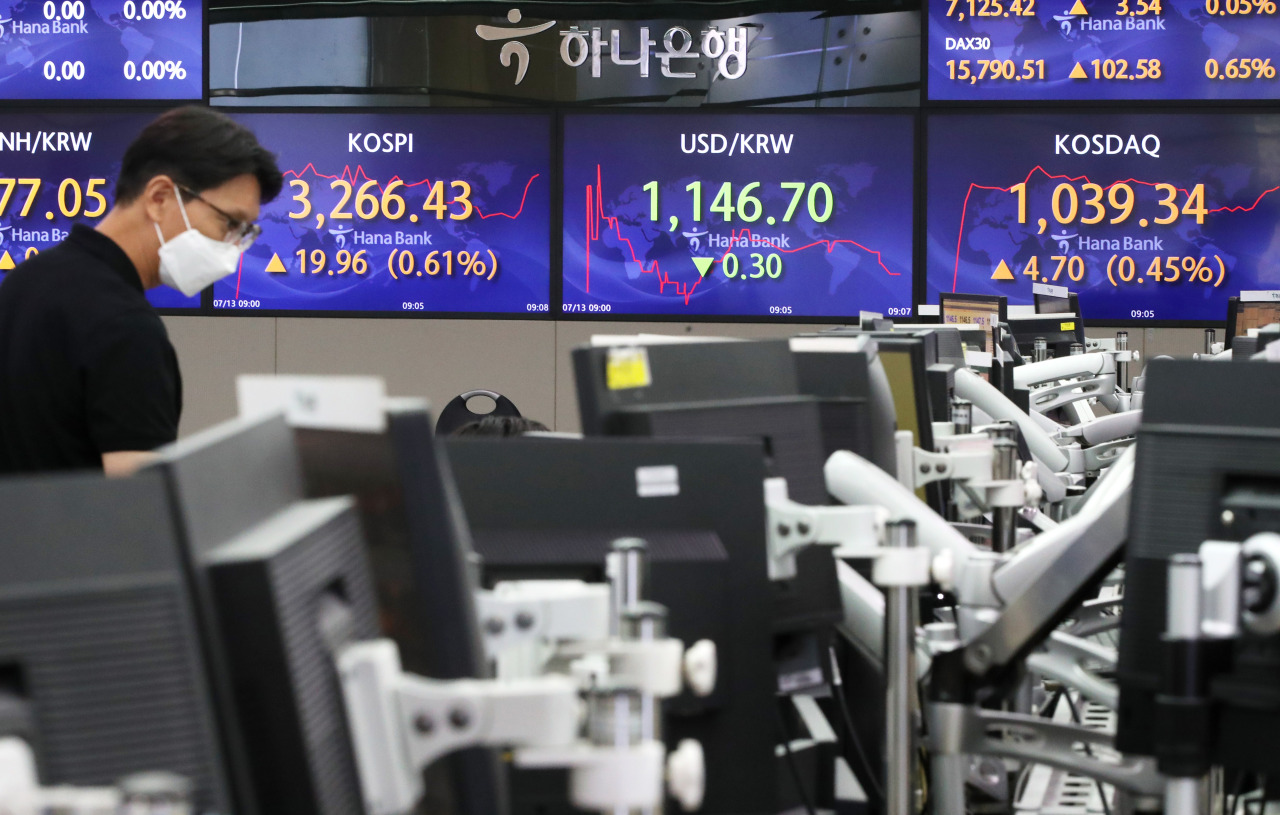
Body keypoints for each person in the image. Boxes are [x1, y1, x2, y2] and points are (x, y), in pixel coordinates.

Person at [0, 106, 282, 476]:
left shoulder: (22, 283)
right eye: (229, 223)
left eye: (245, 232)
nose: (233, 247)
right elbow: (142, 512)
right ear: (160, 197)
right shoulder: (126, 329)